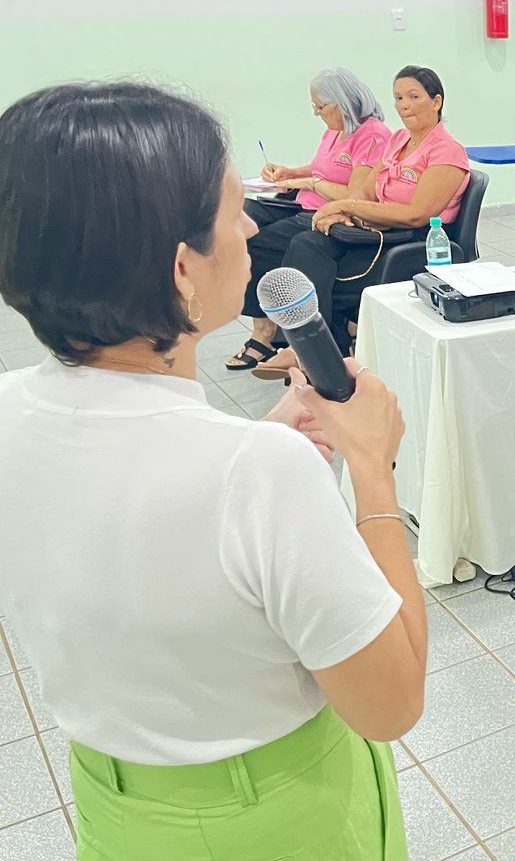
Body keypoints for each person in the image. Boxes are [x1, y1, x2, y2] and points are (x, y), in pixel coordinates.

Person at [0, 82, 424, 860]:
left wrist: (257, 439)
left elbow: (120, 508)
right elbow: (390, 704)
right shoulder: (255, 475)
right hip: (278, 810)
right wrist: (372, 464)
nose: (255, 224)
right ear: (182, 271)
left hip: (112, 798)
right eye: (233, 213)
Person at [277, 65, 469, 353]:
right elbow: (366, 189)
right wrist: (344, 213)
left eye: (414, 97)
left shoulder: (447, 151)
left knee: (325, 278)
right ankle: (310, 349)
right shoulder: (398, 140)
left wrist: (345, 205)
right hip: (377, 229)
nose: (404, 105)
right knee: (307, 242)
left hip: (410, 239)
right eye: (398, 97)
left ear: (437, 101)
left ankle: (316, 352)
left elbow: (417, 214)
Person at [230, 67, 390, 371]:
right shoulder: (334, 130)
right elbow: (322, 167)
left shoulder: (373, 136)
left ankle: (268, 334)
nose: (317, 113)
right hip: (303, 203)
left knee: (259, 244)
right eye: (314, 106)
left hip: (326, 212)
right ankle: (272, 327)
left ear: (342, 102)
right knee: (242, 217)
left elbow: (354, 195)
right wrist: (291, 174)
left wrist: (310, 183)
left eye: (321, 107)